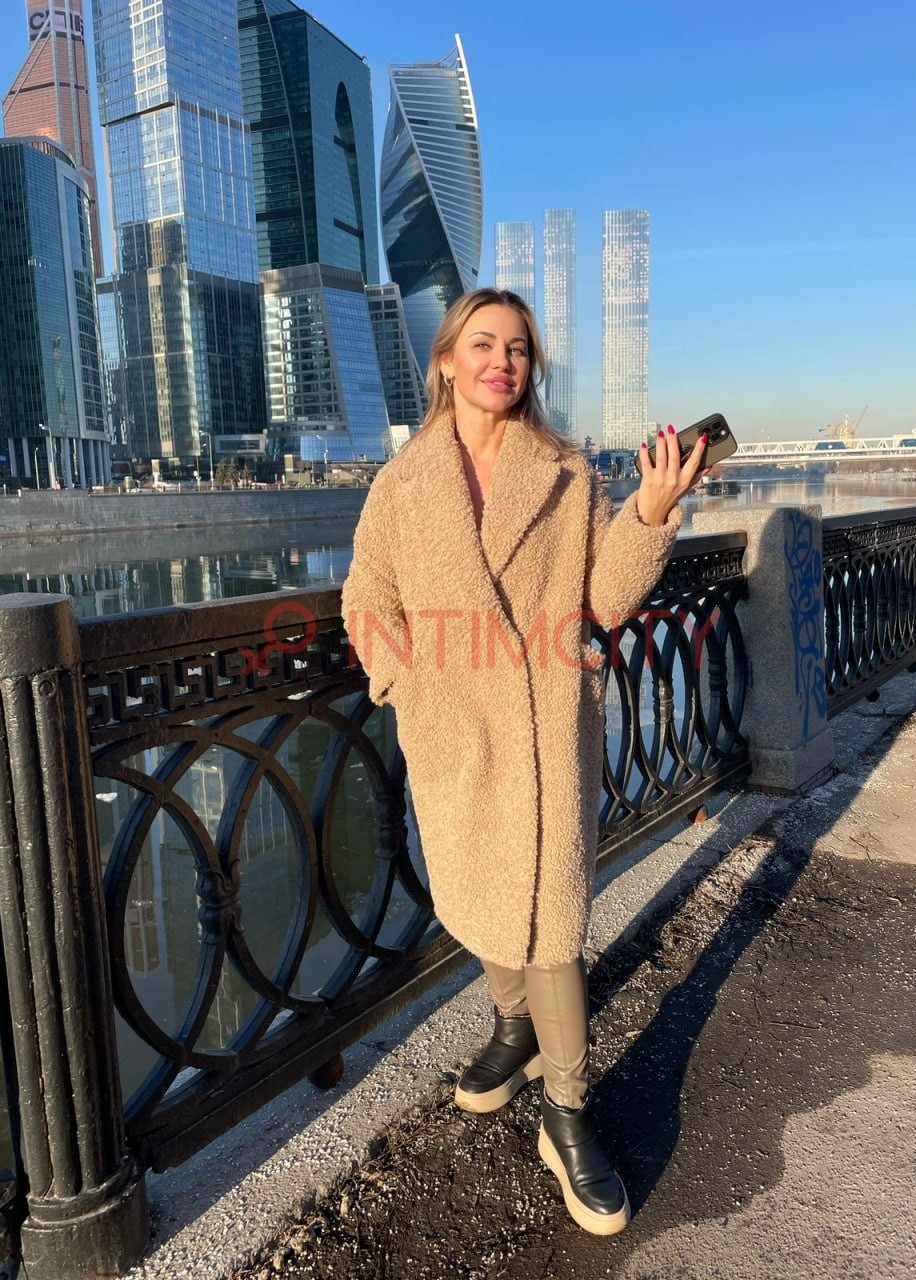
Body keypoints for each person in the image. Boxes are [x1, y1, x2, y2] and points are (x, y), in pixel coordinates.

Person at [341, 288, 706, 1235]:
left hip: (544, 728)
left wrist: (651, 511)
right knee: (481, 895)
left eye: (517, 349)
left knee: (554, 923)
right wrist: (406, 684)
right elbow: (366, 597)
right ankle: (512, 1028)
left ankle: (567, 1112)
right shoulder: (401, 484)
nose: (502, 361)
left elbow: (606, 598)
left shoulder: (565, 471)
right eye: (483, 344)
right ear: (447, 361)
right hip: (454, 729)